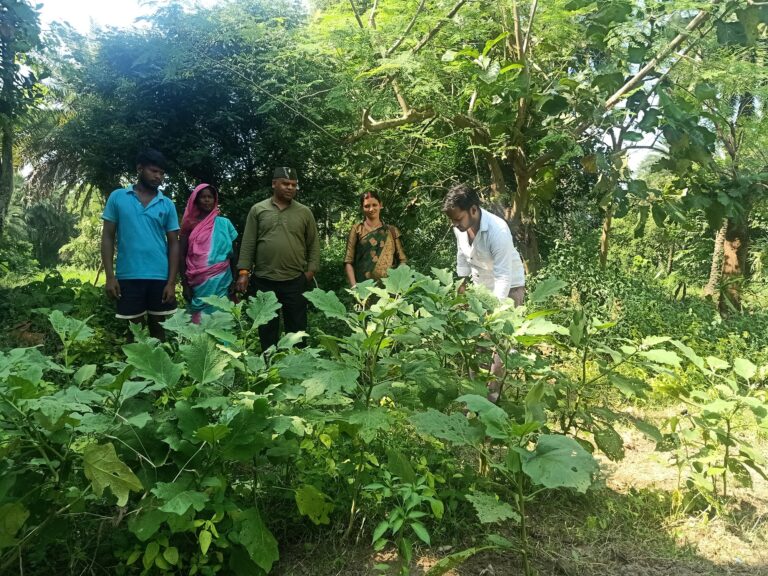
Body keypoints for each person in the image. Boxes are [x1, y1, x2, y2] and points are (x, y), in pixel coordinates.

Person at [443, 182, 526, 402]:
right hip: (481, 288)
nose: (455, 224)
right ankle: (475, 395)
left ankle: (493, 399)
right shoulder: (459, 228)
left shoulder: (498, 230)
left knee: (500, 344)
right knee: (477, 343)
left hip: (509, 288)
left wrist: (493, 313)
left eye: (458, 219)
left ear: (473, 209)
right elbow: (462, 257)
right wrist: (462, 286)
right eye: (452, 220)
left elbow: (503, 277)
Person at [235, 167, 320, 351]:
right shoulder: (258, 209)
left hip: (294, 280)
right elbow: (248, 242)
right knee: (267, 329)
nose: (290, 188)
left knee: (297, 330)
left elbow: (313, 243)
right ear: (274, 184)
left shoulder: (304, 212)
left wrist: (311, 271)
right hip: (264, 279)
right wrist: (243, 272)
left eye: (294, 185)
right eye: (285, 184)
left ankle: (298, 363)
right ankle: (269, 364)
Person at [101, 149, 180, 341]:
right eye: (154, 171)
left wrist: (171, 282)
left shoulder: (167, 204)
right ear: (139, 169)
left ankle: (159, 362)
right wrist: (110, 277)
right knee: (134, 332)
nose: (158, 176)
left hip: (159, 276)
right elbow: (108, 237)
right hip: (128, 275)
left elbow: (174, 244)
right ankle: (136, 363)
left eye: (162, 173)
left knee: (158, 330)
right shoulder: (118, 197)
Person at [179, 183, 238, 323]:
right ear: (196, 201)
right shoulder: (189, 226)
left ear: (214, 200)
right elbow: (181, 256)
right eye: (203, 197)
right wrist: (185, 285)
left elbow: (234, 254)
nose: (206, 200)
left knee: (222, 318)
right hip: (198, 282)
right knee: (200, 322)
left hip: (222, 280)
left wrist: (234, 280)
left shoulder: (224, 223)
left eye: (210, 197)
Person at [344, 191, 407, 287]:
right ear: (362, 208)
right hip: (364, 289)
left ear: (380, 205)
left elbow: (402, 260)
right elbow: (348, 261)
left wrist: (398, 283)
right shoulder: (357, 229)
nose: (371, 209)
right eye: (367, 206)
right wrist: (354, 287)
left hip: (389, 289)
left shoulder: (391, 231)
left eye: (374, 205)